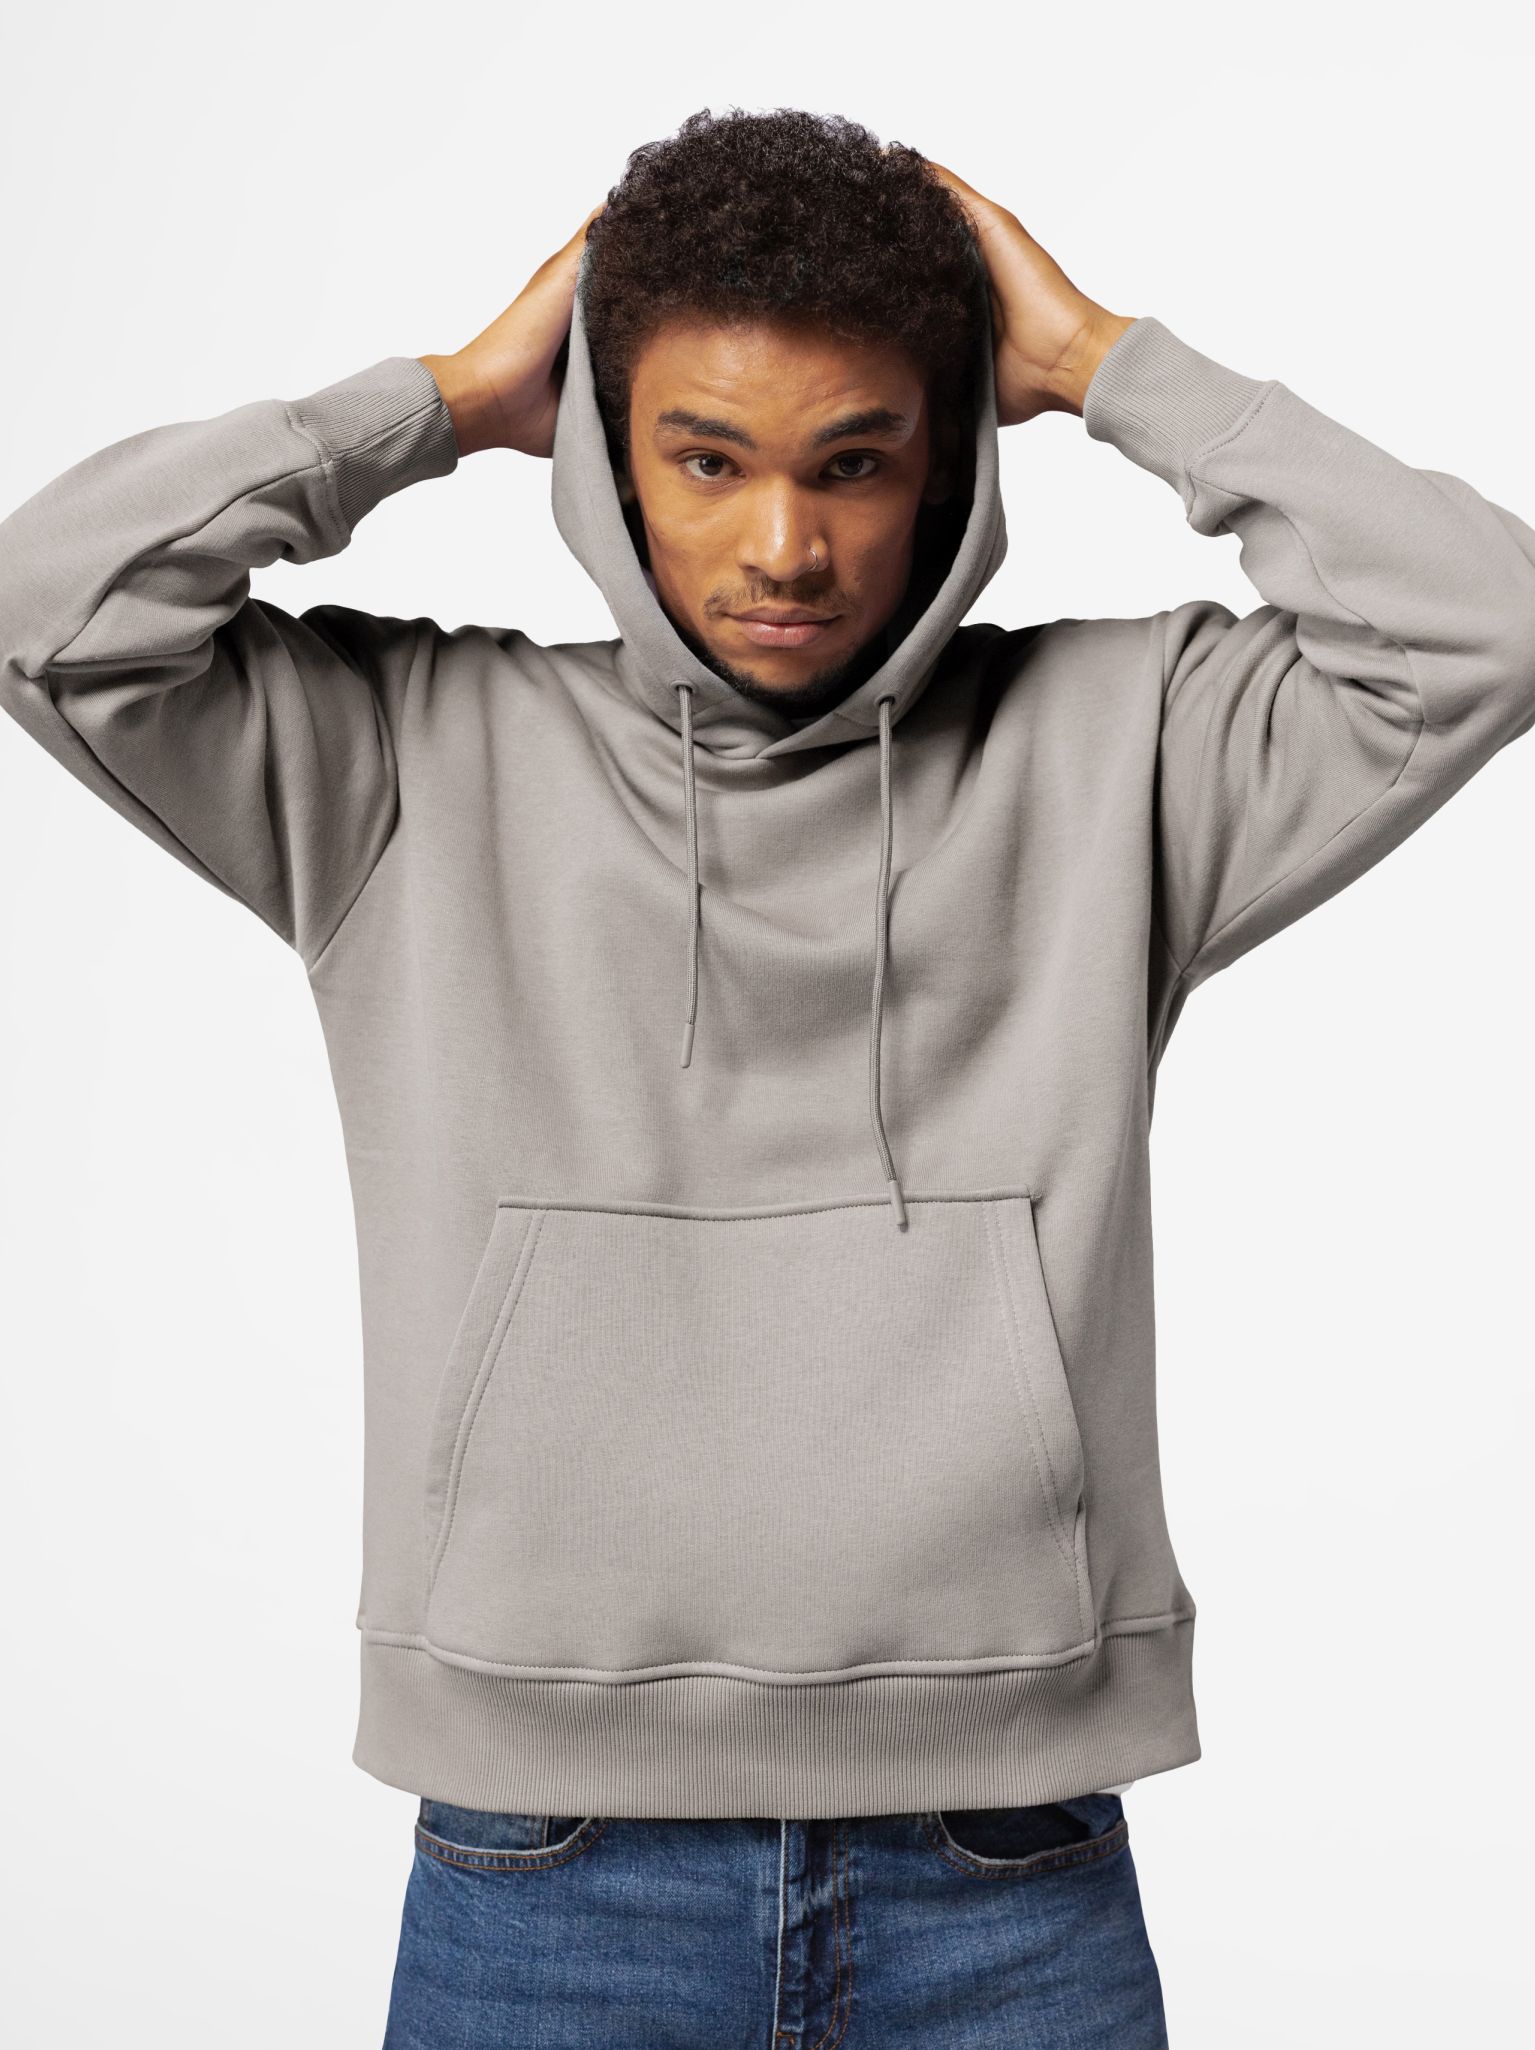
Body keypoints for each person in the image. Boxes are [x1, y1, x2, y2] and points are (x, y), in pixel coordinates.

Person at [1, 105, 1531, 2049]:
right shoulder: (404, 760)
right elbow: (50, 613)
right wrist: (438, 400)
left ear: (948, 462)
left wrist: (1103, 362)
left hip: (1005, 1857)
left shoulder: (1124, 747)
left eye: (855, 463)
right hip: (548, 1861)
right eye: (707, 459)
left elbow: (1487, 625)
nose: (785, 546)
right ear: (604, 455)